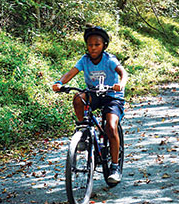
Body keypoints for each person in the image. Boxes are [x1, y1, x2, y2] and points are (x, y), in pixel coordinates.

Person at [53, 25, 127, 186]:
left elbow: (123, 72)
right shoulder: (85, 60)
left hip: (112, 96)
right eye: (90, 45)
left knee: (111, 126)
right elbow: (71, 73)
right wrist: (60, 83)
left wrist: (121, 84)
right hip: (94, 94)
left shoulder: (109, 59)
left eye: (97, 45)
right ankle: (83, 130)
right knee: (78, 97)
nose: (93, 48)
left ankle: (114, 167)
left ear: (104, 45)